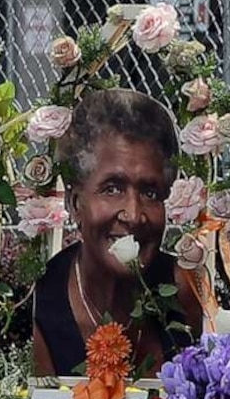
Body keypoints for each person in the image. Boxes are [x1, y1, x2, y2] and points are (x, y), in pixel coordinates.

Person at [17, 88, 203, 378]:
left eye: (150, 192)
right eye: (112, 189)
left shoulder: (182, 289)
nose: (133, 214)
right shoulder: (42, 302)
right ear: (75, 203)